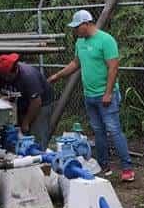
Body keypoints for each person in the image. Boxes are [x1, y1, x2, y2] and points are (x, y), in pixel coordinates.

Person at [48, 10, 135, 182]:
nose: (75, 31)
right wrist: (58, 76)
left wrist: (108, 93)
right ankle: (104, 166)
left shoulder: (106, 40)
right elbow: (76, 63)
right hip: (90, 95)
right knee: (98, 131)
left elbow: (113, 67)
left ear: (87, 24)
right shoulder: (80, 42)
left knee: (114, 130)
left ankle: (127, 168)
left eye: (77, 27)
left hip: (105, 95)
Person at [0, 53, 54, 148]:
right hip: (22, 101)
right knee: (17, 132)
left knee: (36, 135)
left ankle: (39, 155)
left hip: (40, 103)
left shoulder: (28, 76)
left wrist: (26, 122)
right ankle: (18, 155)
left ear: (9, 75)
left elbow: (36, 102)